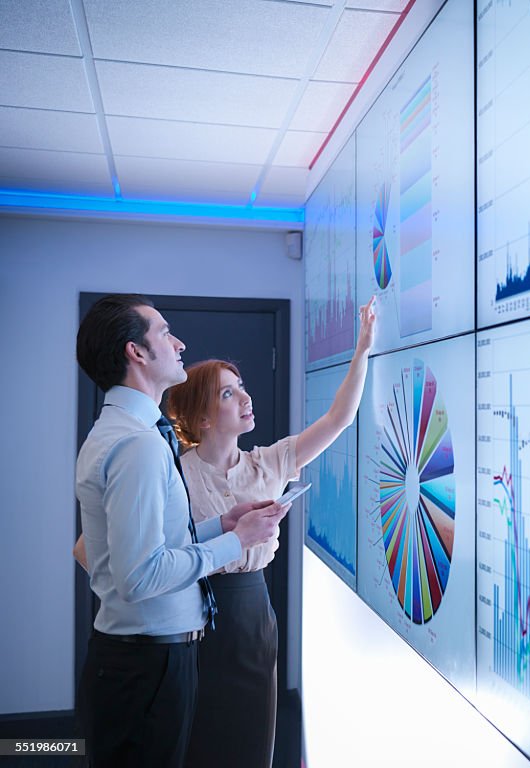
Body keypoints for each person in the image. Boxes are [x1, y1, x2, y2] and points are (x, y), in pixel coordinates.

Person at [74, 294, 290, 768]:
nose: (179, 342)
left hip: (139, 660)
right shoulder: (139, 445)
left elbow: (145, 547)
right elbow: (140, 575)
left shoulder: (124, 432)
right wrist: (235, 542)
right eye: (164, 332)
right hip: (147, 665)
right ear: (136, 352)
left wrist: (221, 525)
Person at [165, 296, 376, 768]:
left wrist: (361, 350)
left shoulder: (269, 462)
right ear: (201, 418)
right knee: (199, 738)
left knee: (250, 737)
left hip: (253, 615)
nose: (245, 398)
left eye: (241, 388)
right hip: (192, 616)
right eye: (227, 393)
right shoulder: (175, 473)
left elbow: (338, 418)